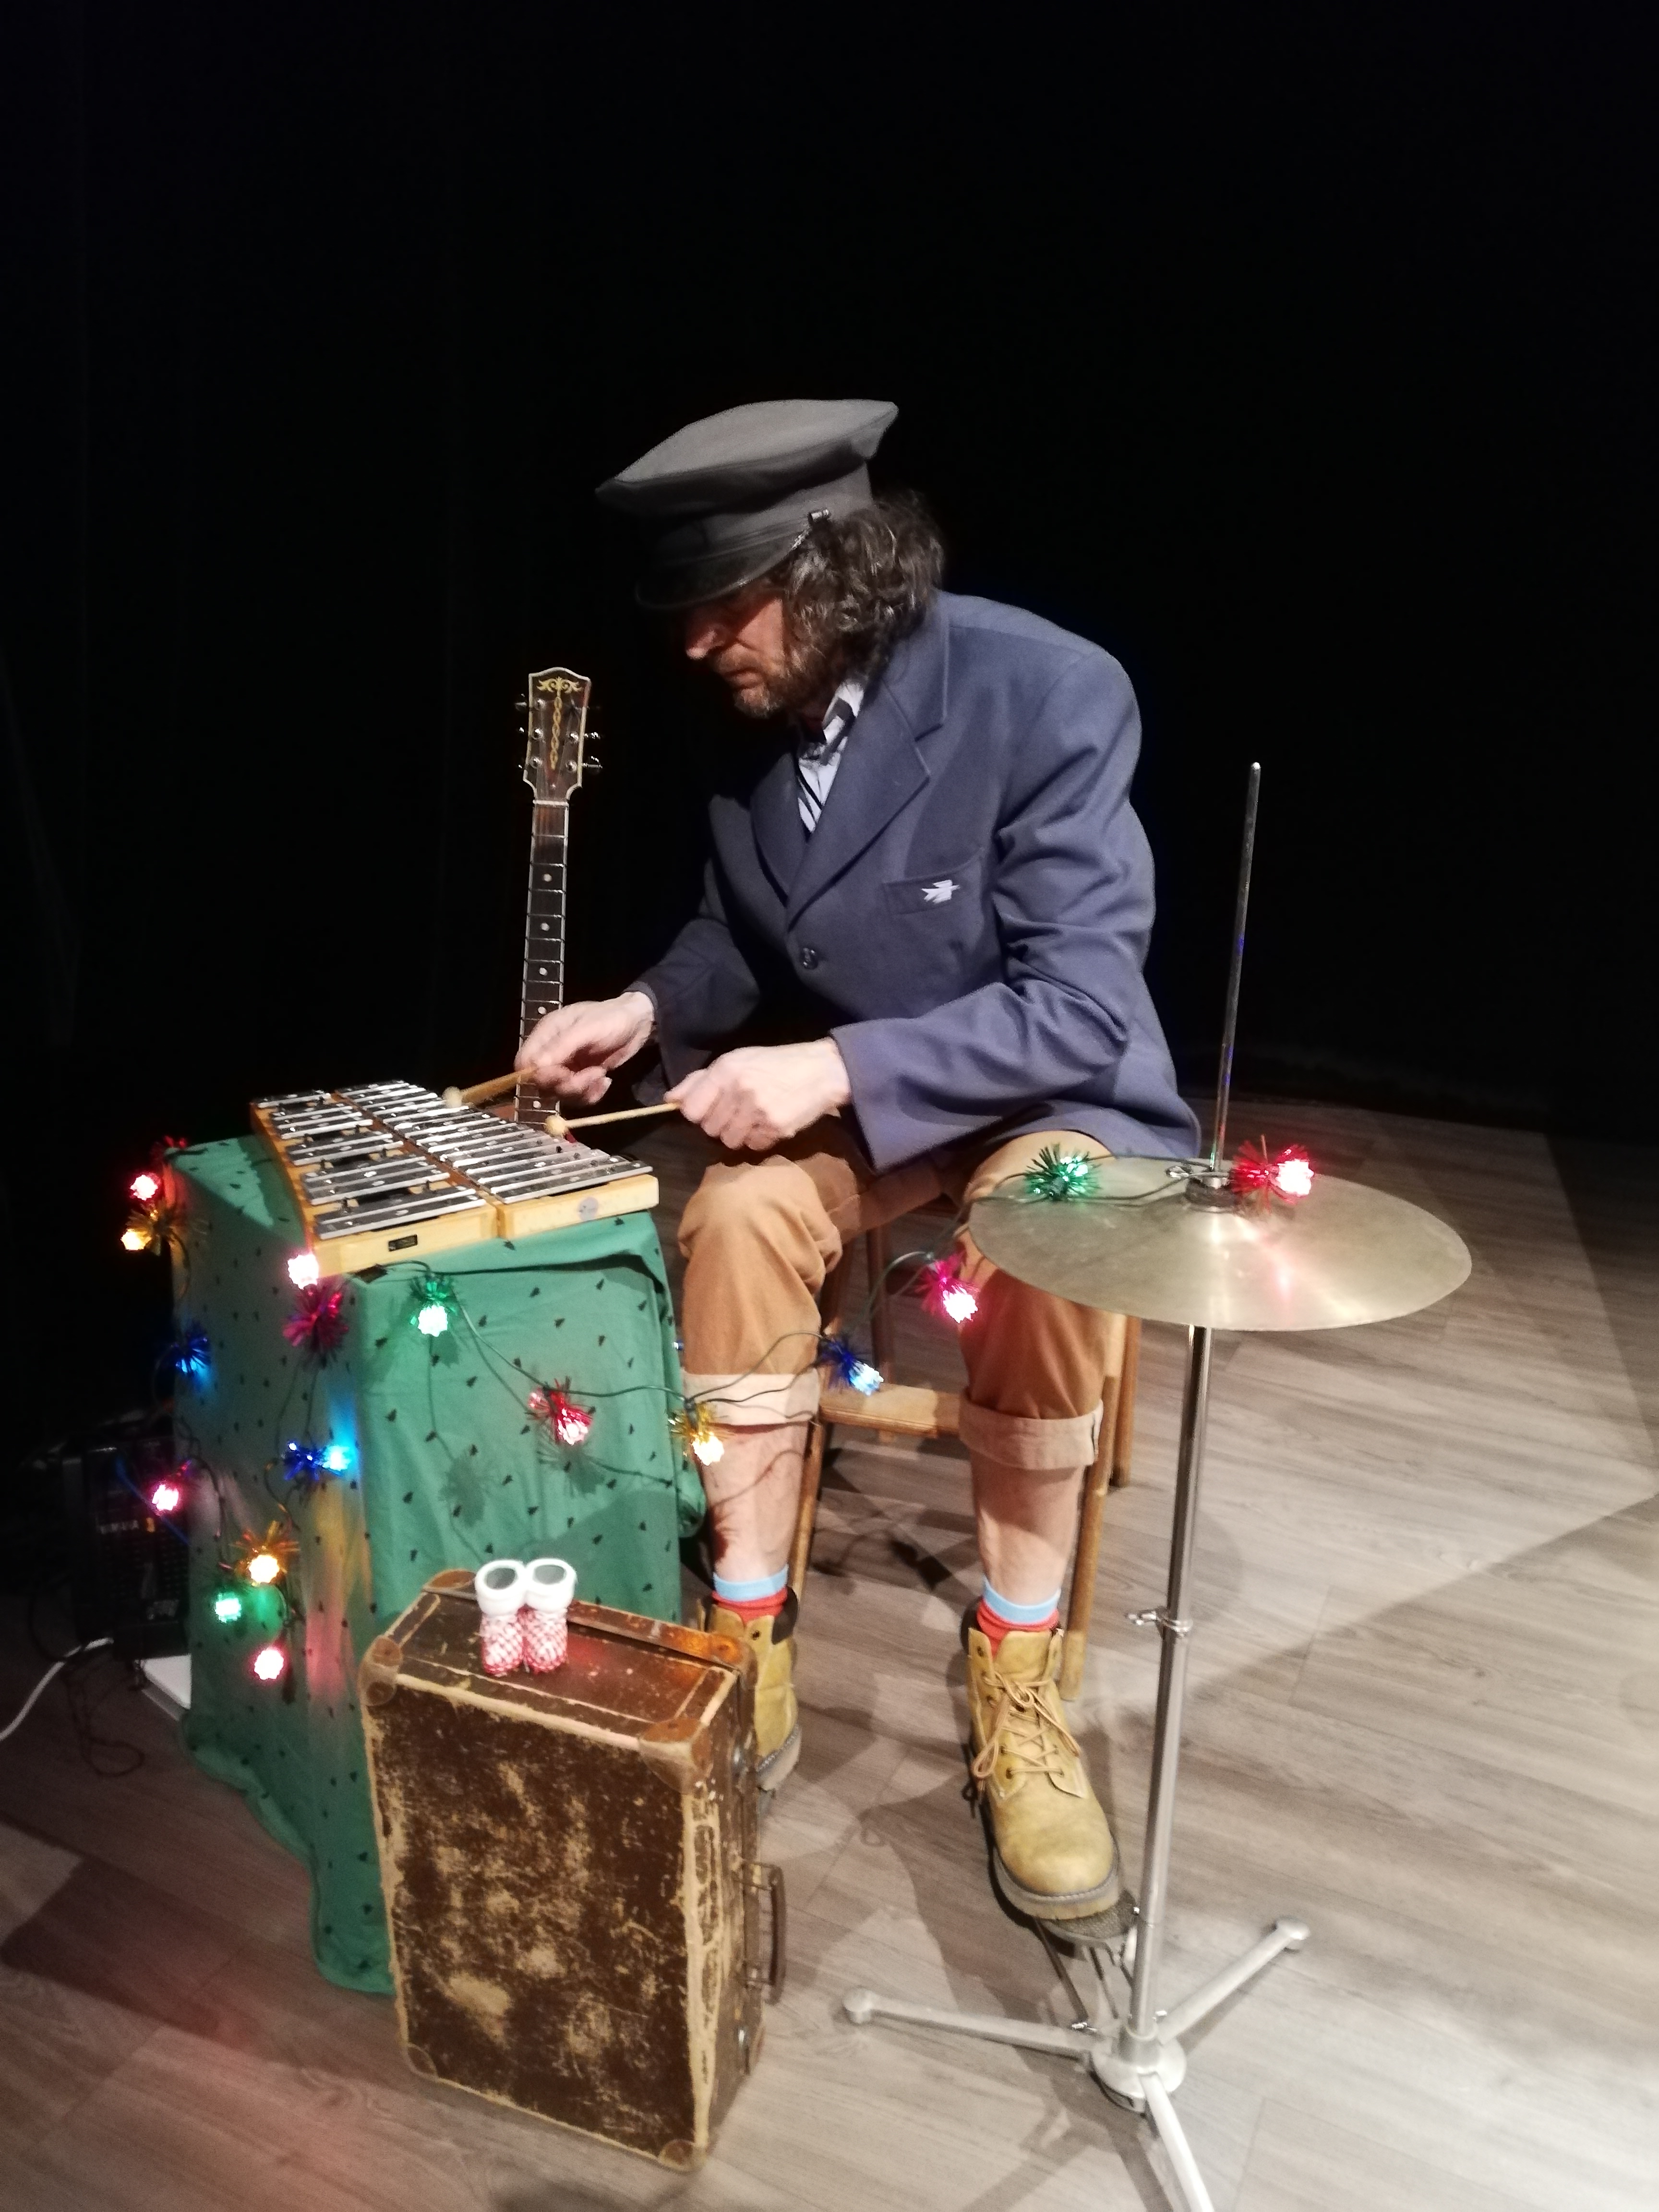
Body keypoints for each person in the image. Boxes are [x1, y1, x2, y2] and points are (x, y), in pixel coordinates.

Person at [517, 399, 1199, 1930]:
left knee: (1046, 1235)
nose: (697, 642)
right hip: (880, 1106)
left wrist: (829, 1067)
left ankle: (1019, 1668)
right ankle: (750, 1624)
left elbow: (1079, 1004)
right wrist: (645, 1010)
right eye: (684, 609)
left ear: (835, 569)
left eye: (727, 601)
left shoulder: (1047, 689)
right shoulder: (753, 726)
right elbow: (734, 933)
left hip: (1047, 1092)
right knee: (741, 1215)